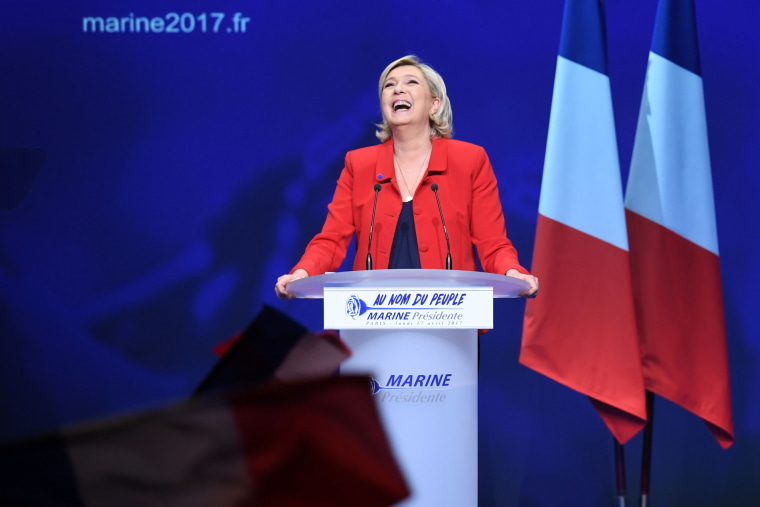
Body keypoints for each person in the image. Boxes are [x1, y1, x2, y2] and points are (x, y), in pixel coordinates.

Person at [275, 55, 538, 299]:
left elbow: (492, 243)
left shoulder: (470, 161)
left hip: (450, 320)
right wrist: (303, 273)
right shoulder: (359, 164)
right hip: (372, 319)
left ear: (435, 103)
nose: (398, 89)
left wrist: (511, 272)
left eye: (411, 82)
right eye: (389, 86)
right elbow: (331, 240)